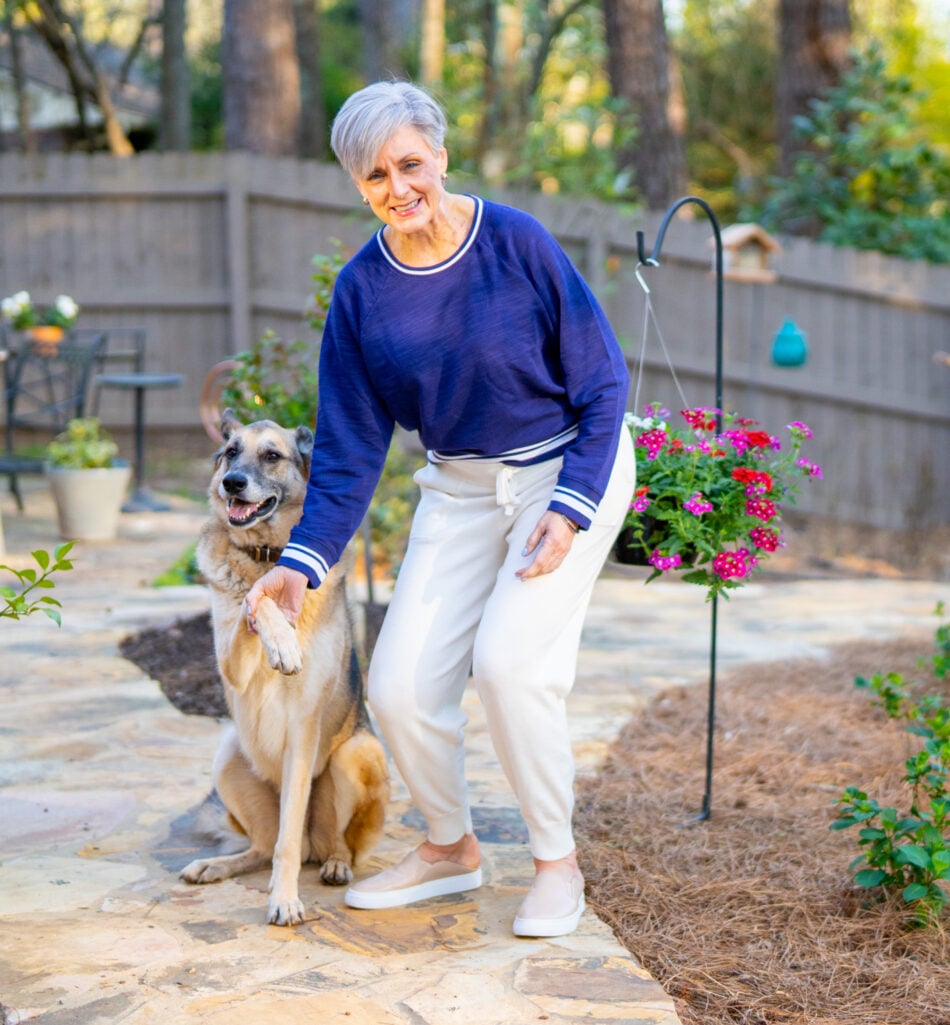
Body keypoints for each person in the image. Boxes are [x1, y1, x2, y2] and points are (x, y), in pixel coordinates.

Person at [245, 80, 636, 938]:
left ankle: (556, 865)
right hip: (460, 485)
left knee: (509, 664)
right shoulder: (362, 293)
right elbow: (347, 446)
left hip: (568, 470)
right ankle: (452, 847)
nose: (398, 186)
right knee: (398, 682)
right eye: (375, 174)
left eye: (410, 163)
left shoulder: (517, 243)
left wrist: (569, 508)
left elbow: (604, 382)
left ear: (442, 155)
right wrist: (297, 567)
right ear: (359, 185)